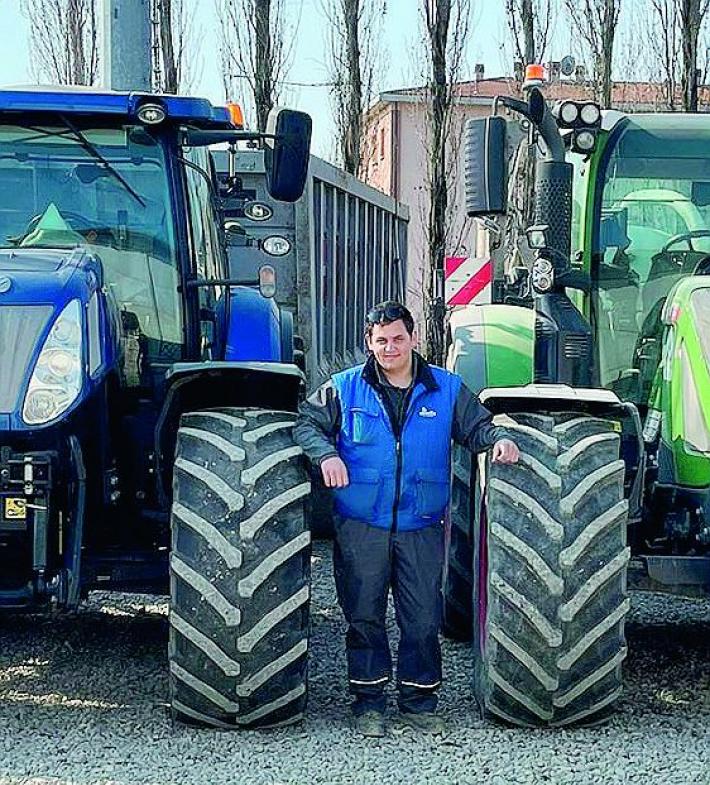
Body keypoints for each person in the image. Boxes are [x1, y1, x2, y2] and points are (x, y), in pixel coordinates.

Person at [293, 301, 519, 737]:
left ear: (413, 339)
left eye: (398, 338)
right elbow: (305, 424)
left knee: (421, 619)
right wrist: (326, 455)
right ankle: (369, 705)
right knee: (364, 615)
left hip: (420, 526)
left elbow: (479, 428)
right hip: (361, 526)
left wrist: (501, 439)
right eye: (381, 341)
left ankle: (419, 702)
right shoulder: (344, 389)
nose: (390, 347)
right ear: (369, 343)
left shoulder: (447, 390)